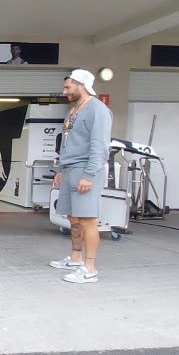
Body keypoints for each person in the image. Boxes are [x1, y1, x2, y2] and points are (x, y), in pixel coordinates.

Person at [48, 69, 113, 284]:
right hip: (69, 169)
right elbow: (66, 143)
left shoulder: (97, 110)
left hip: (86, 170)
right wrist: (60, 169)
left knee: (87, 220)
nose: (64, 91)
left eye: (68, 87)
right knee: (72, 217)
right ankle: (75, 259)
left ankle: (89, 268)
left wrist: (89, 174)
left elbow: (100, 146)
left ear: (82, 85)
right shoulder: (73, 110)